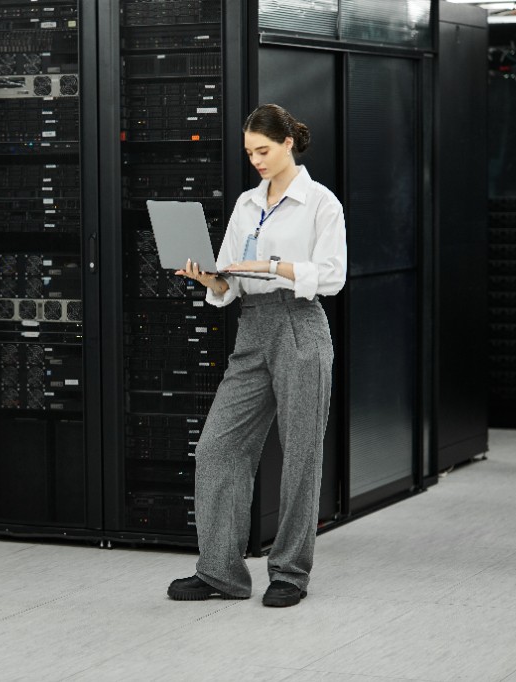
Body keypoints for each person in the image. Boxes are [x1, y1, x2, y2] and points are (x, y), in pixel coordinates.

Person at [167, 104, 347, 607]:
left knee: (301, 455)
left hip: (300, 324)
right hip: (253, 328)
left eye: (263, 150)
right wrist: (207, 277)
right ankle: (220, 572)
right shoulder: (247, 203)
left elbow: (332, 275)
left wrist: (275, 266)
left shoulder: (319, 203)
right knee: (218, 448)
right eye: (250, 153)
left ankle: (290, 572)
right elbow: (229, 279)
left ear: (288, 142)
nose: (257, 161)